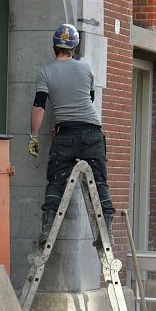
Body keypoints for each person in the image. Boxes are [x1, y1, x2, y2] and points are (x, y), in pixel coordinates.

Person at [28, 23, 114, 245]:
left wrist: (34, 137)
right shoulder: (86, 69)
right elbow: (90, 98)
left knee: (56, 183)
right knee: (100, 181)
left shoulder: (45, 72)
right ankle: (107, 233)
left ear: (54, 46)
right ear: (74, 47)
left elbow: (39, 106)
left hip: (64, 135)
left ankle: (47, 230)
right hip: (91, 133)